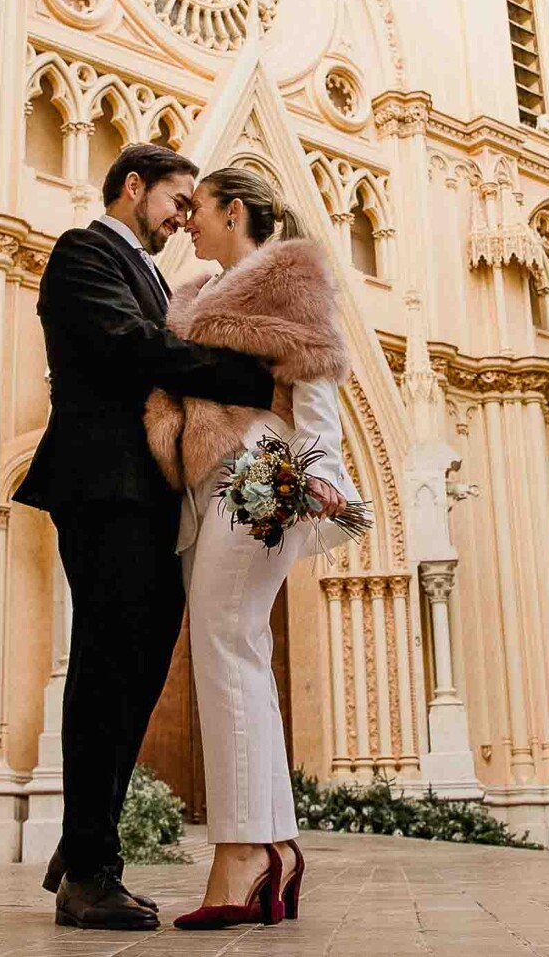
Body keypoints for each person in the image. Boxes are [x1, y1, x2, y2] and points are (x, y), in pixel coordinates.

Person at [13, 144, 276, 931]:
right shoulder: (84, 252)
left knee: (134, 675)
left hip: (149, 496)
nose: (184, 214)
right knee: (104, 673)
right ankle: (90, 871)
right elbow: (131, 349)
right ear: (134, 186)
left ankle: (82, 838)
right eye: (176, 197)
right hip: (104, 486)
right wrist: (249, 379)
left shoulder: (156, 275)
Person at [144, 166, 361, 930]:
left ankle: (240, 858)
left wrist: (322, 477)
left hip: (258, 475)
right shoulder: (197, 295)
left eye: (198, 209)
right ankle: (274, 845)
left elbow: (317, 387)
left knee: (225, 649)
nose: (188, 224)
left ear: (234, 211)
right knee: (238, 655)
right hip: (216, 487)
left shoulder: (289, 279)